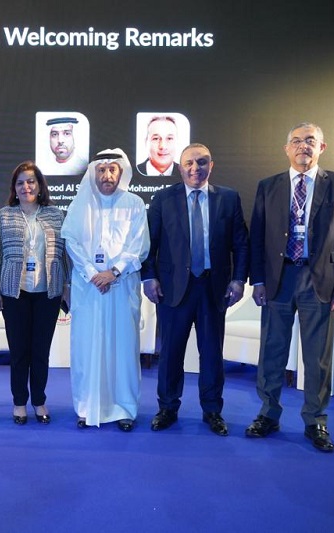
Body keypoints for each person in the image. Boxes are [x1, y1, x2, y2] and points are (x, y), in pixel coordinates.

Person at [246, 122, 334, 452]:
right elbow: (257, 238)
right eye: (296, 141)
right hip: (278, 279)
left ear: (321, 147)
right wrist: (259, 280)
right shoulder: (268, 186)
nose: (303, 146)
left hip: (319, 281)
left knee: (317, 358)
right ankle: (268, 414)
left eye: (310, 140)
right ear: (286, 149)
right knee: (272, 353)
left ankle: (315, 420)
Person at [141, 143, 249, 435]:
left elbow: (240, 243)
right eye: (189, 163)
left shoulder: (228, 198)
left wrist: (239, 279)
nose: (195, 168)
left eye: (202, 162)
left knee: (212, 354)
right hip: (173, 289)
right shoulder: (163, 199)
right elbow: (149, 243)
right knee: (170, 353)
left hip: (214, 288)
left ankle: (212, 410)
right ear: (180, 167)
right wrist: (149, 277)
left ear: (211, 166)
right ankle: (167, 408)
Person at [61, 148, 150, 431]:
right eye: (101, 170)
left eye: (112, 169)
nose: (107, 175)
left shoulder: (134, 204)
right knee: (87, 348)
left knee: (123, 350)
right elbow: (71, 242)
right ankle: (87, 408)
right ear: (93, 173)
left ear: (121, 172)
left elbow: (139, 245)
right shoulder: (79, 205)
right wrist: (93, 274)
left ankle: (124, 409)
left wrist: (113, 272)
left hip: (121, 288)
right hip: (89, 290)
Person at [0, 161, 70, 425]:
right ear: (14, 188)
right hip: (15, 292)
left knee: (40, 352)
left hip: (48, 293)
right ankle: (19, 402)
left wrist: (66, 288)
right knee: (19, 352)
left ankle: (39, 400)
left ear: (40, 185)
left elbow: (64, 255)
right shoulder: (4, 215)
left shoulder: (56, 215)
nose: (26, 187)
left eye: (31, 181)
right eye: (21, 182)